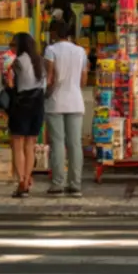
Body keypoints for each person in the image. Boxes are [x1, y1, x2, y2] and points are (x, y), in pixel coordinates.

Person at [44, 19, 88, 197]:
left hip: (55, 102)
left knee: (57, 144)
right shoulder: (80, 51)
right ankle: (75, 183)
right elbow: (84, 81)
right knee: (75, 144)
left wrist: (46, 94)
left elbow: (50, 78)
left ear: (54, 33)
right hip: (76, 101)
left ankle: (57, 184)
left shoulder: (51, 50)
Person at [5, 32, 47, 198]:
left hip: (22, 103)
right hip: (38, 103)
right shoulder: (40, 62)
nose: (12, 48)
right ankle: (28, 178)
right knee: (30, 143)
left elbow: (10, 82)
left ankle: (21, 180)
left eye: (13, 45)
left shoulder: (17, 62)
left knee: (17, 142)